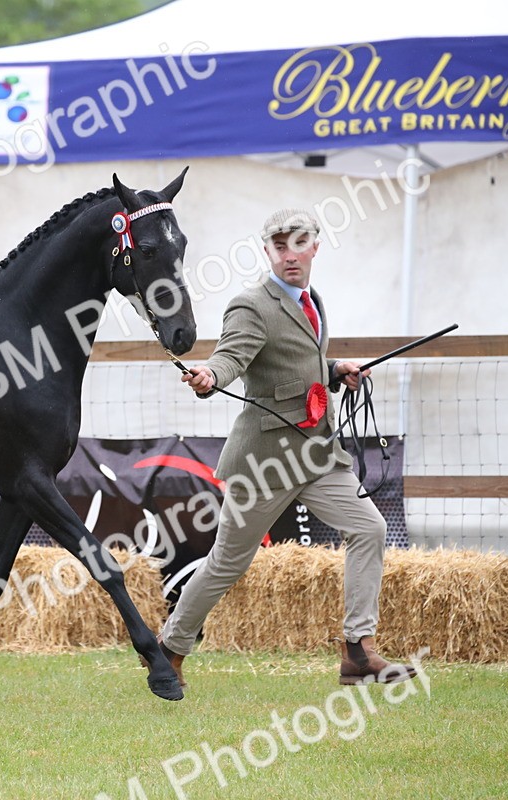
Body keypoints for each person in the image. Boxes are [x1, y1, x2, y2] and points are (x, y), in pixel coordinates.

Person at [158, 208, 416, 687]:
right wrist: (210, 376)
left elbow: (300, 361)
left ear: (315, 247)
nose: (290, 253)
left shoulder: (311, 300)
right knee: (226, 565)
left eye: (299, 243)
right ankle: (171, 648)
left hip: (317, 455)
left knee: (370, 529)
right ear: (268, 252)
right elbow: (231, 357)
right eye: (280, 245)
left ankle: (358, 651)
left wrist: (335, 370)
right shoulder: (250, 304)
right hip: (265, 463)